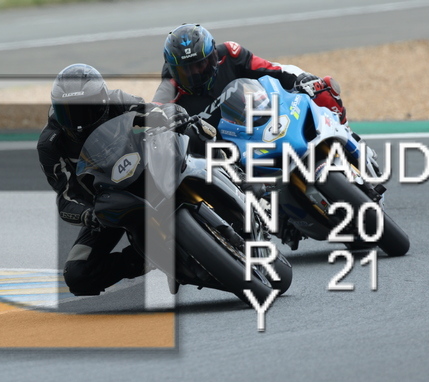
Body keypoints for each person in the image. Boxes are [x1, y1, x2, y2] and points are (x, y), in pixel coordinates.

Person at [37, 63, 210, 296]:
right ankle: (146, 258)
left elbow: (152, 111)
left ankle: (231, 178)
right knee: (77, 274)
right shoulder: (51, 143)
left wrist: (170, 115)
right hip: (107, 204)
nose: (77, 121)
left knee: (193, 130)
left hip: (147, 171)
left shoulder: (118, 100)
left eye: (85, 109)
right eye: (68, 112)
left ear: (102, 100)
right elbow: (65, 197)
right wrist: (89, 214)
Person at [153, 23, 350, 132]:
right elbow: (153, 110)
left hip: (258, 125)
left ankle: (346, 133)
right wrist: (159, 116)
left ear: (213, 56)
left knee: (322, 87)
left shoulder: (230, 54)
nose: (195, 72)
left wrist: (302, 78)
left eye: (200, 64)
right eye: (187, 69)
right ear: (173, 69)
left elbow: (275, 69)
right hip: (220, 155)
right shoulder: (169, 86)